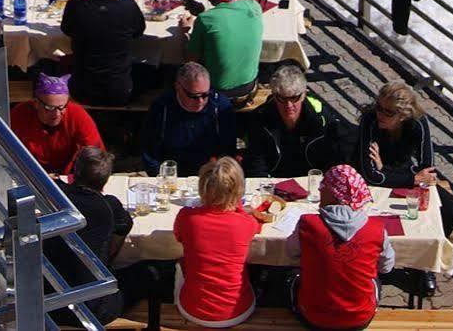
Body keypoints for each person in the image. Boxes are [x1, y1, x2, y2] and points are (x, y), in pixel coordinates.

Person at [353, 79, 453, 284]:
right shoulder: (369, 121)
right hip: (380, 182)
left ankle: (424, 262)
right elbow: (369, 175)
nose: (380, 115)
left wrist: (386, 170)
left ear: (403, 115)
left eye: (388, 112)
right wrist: (408, 176)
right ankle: (383, 262)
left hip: (398, 175)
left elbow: (427, 169)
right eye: (379, 108)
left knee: (451, 209)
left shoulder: (418, 123)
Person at [287, 164, 394, 331]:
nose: (320, 191)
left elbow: (291, 253)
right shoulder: (377, 228)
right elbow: (386, 268)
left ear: (332, 194)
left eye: (323, 188)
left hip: (313, 317)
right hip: (359, 319)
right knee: (375, 281)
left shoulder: (308, 223)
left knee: (293, 276)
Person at [55, 147, 146, 327]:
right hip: (93, 310)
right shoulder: (109, 205)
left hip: (50, 304)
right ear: (105, 180)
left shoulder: (55, 198)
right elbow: (124, 228)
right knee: (147, 273)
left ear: (74, 173)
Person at [171, 156, 261, 328]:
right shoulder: (246, 223)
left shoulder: (186, 217)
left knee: (178, 266)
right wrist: (240, 209)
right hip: (237, 310)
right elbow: (254, 227)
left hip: (193, 309)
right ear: (238, 190)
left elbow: (178, 237)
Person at [61, 0, 149, 107]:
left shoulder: (75, 7)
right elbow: (138, 32)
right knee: (155, 68)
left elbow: (67, 29)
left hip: (82, 91)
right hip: (120, 91)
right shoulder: (128, 7)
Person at [242, 64, 349, 178]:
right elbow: (255, 165)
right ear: (274, 96)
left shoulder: (321, 119)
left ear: (303, 95)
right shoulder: (259, 119)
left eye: (294, 98)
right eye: (282, 98)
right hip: (273, 180)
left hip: (311, 180)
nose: (289, 105)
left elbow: (332, 159)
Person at [184, 0, 265, 103]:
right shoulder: (255, 7)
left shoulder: (205, 19)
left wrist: (185, 31)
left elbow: (190, 61)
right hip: (249, 88)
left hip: (217, 94)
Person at [140, 62, 236, 174]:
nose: (200, 101)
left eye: (205, 95)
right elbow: (149, 150)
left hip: (210, 175)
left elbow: (228, 151)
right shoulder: (162, 107)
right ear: (178, 87)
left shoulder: (221, 107)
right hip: (171, 175)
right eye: (193, 96)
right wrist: (159, 175)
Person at [8, 71, 104, 175]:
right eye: (49, 107)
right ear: (36, 103)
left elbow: (95, 156)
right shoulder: (20, 114)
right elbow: (6, 150)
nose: (57, 113)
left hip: (68, 177)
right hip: (29, 176)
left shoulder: (78, 115)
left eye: (61, 107)